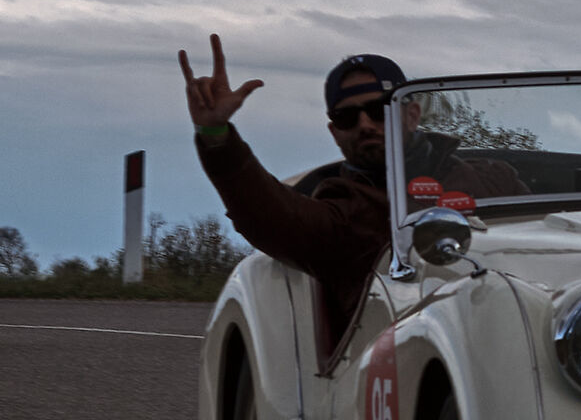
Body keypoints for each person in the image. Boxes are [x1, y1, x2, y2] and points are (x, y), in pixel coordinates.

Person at [180, 38, 522, 359]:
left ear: (412, 115)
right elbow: (268, 213)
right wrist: (216, 135)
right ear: (335, 132)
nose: (364, 124)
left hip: (512, 333)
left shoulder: (491, 180)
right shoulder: (342, 212)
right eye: (347, 117)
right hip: (396, 363)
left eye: (379, 109)